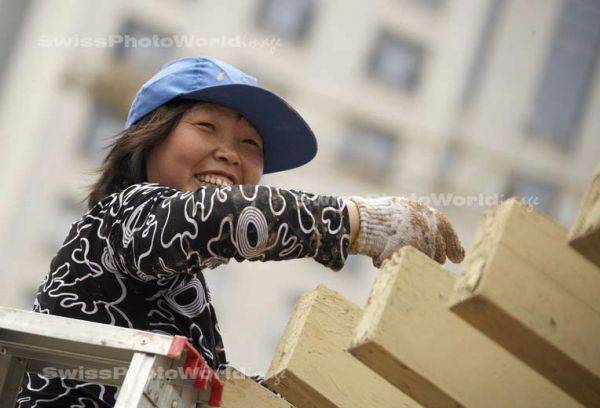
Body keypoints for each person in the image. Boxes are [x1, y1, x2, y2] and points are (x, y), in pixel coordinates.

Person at [16, 55, 464, 407]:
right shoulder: (124, 217)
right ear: (150, 138)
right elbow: (211, 218)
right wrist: (357, 222)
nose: (230, 154)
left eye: (250, 144)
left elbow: (211, 393)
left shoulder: (182, 293)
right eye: (207, 126)